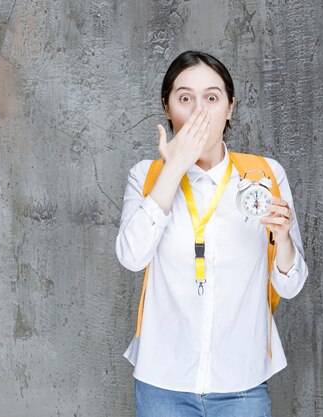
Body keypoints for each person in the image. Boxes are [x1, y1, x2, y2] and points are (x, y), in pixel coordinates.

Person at [115, 50, 309, 417]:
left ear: (230, 108)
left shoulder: (265, 176)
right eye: (185, 98)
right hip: (162, 383)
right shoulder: (147, 176)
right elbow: (131, 256)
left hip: (242, 384)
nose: (199, 111)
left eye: (212, 98)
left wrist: (282, 238)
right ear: (167, 107)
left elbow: (290, 285)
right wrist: (174, 168)